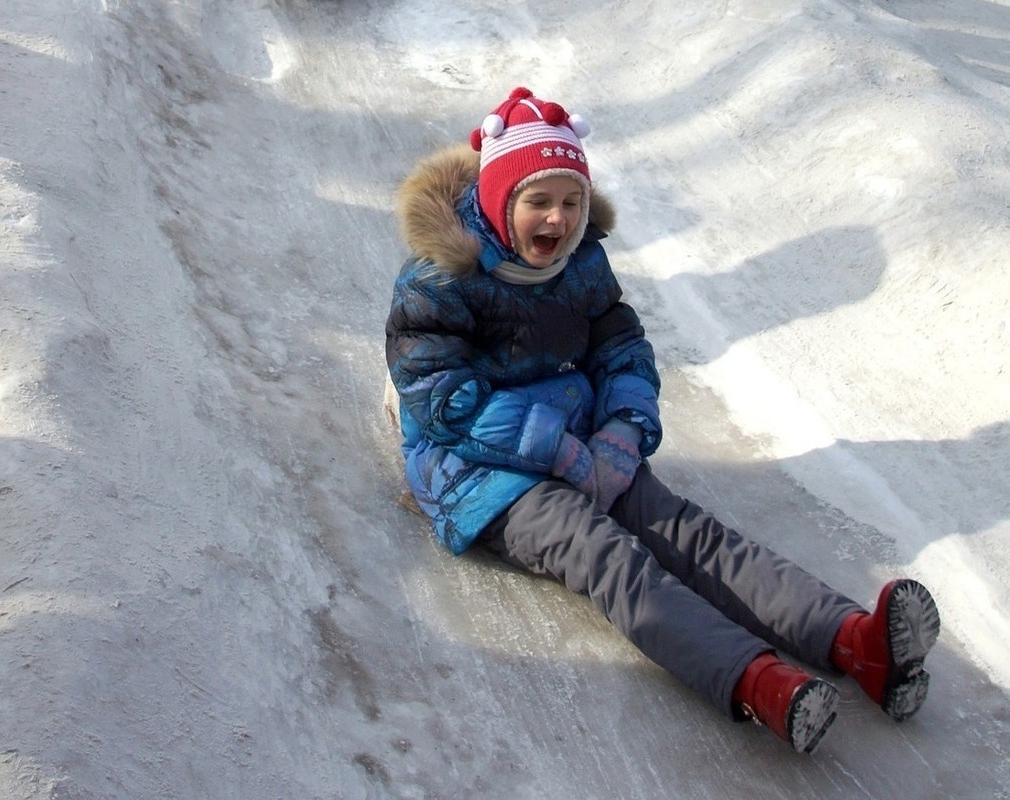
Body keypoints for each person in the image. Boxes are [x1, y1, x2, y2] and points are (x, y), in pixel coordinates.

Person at [384, 87, 941, 754]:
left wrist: (622, 431)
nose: (557, 218)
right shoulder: (437, 281)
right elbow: (443, 399)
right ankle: (756, 679)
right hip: (479, 469)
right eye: (538, 201)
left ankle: (852, 642)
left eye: (571, 201)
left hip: (585, 439)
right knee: (606, 554)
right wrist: (557, 453)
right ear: (501, 204)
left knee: (689, 532)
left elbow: (623, 349)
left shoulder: (582, 260)